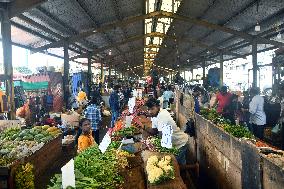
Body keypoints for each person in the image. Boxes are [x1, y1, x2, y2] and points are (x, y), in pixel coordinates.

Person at [144, 98, 189, 165]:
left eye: (152, 109)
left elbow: (161, 136)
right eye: (148, 109)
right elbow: (155, 131)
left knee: (174, 165)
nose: (150, 111)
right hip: (173, 144)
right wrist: (143, 127)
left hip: (179, 143)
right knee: (177, 165)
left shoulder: (162, 115)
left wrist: (151, 143)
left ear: (158, 107)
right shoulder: (154, 116)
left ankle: (186, 172)